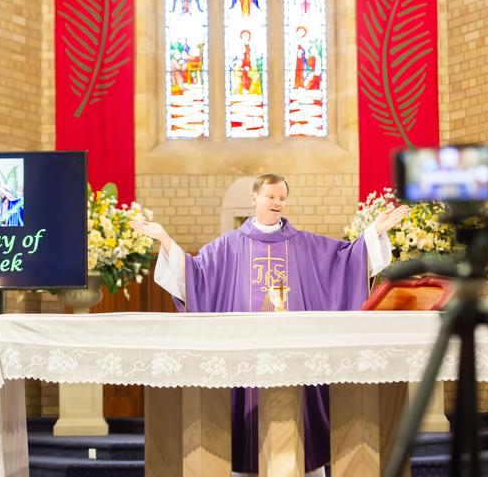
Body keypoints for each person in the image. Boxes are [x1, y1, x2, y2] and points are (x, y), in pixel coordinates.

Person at [130, 173, 409, 477]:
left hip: (294, 358)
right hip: (244, 359)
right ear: (255, 199)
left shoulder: (303, 244)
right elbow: (195, 274)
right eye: (271, 197)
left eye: (282, 198)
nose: (277, 203)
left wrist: (374, 234)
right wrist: (166, 241)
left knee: (298, 425)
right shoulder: (229, 247)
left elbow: (344, 260)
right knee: (242, 425)